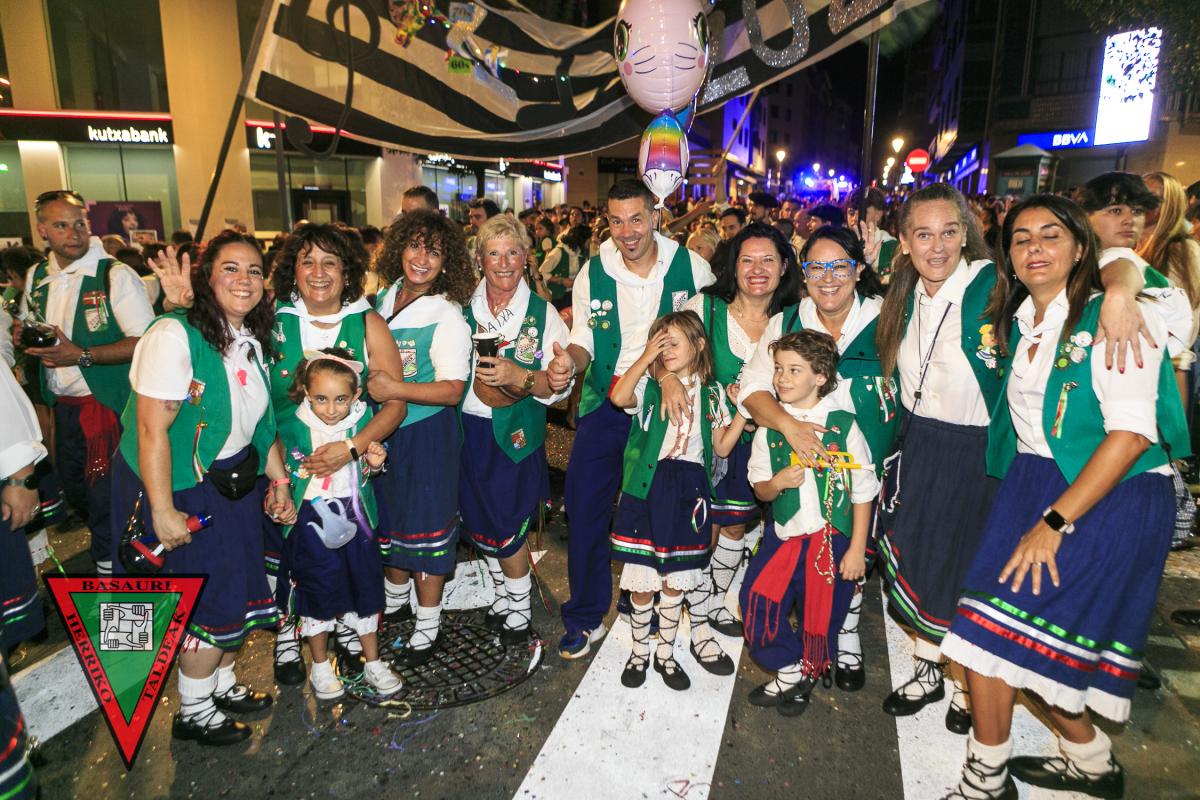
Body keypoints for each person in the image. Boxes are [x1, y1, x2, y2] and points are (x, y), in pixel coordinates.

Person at [937, 195, 1189, 800]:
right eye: (1021, 239)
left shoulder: (1114, 316)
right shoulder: (1024, 319)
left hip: (1109, 494)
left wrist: (1052, 521)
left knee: (991, 636)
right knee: (999, 634)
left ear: (1081, 249)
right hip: (1034, 483)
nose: (1034, 249)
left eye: (1051, 236)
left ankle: (986, 778)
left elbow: (1131, 436)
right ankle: (1090, 760)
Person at [157, 222, 409, 685]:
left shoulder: (368, 322)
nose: (318, 272)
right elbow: (210, 335)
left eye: (330, 262)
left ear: (348, 271)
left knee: (347, 553)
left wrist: (350, 449)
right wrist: (179, 306)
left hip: (346, 470)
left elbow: (395, 402)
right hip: (276, 467)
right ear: (292, 269)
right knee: (284, 557)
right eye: (307, 261)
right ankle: (290, 635)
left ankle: (349, 628)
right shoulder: (269, 318)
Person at [111, 230, 294, 746]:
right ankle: (192, 710)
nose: (244, 279)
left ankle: (220, 685)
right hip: (181, 487)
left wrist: (279, 481)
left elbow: (260, 426)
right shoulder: (174, 335)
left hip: (232, 483)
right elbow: (151, 430)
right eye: (230, 268)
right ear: (207, 278)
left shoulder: (247, 338)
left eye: (254, 270)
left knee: (235, 590)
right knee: (208, 598)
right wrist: (163, 510)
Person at [547, 179, 714, 659]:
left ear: (655, 217)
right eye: (617, 221)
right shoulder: (593, 272)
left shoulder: (691, 267)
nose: (627, 231)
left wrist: (678, 379)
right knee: (584, 506)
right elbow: (583, 339)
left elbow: (705, 337)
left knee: (657, 507)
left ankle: (646, 595)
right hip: (607, 399)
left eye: (637, 219)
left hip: (665, 406)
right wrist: (569, 362)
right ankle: (586, 614)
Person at [869, 183, 1009, 733]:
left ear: (966, 234)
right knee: (921, 558)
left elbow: (1078, 270)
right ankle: (929, 665)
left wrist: (1120, 287)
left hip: (975, 450)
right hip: (917, 440)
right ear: (904, 242)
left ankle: (965, 684)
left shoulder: (993, 286)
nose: (938, 246)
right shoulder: (902, 295)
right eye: (923, 235)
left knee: (962, 568)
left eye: (950, 232)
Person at [741, 225, 894, 694]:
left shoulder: (888, 316)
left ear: (859, 269)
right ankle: (803, 653)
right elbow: (753, 388)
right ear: (803, 273)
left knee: (851, 559)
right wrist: (789, 426)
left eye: (839, 266)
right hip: (799, 475)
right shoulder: (787, 321)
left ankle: (844, 634)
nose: (828, 277)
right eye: (817, 267)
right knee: (800, 574)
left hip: (866, 465)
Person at [19, 189, 155, 575]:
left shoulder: (114, 274)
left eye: (79, 223)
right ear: (43, 230)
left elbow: (146, 342)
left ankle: (115, 579)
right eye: (61, 225)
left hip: (109, 408)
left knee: (108, 501)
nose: (74, 232)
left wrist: (81, 354)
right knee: (78, 496)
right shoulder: (38, 276)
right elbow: (34, 325)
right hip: (64, 408)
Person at [742, 330, 878, 715]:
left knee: (823, 616)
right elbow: (760, 489)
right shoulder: (771, 428)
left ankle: (805, 675)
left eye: (794, 370)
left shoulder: (843, 425)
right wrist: (777, 483)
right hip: (784, 537)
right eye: (778, 368)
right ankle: (790, 667)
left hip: (831, 541)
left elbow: (863, 490)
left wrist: (857, 549)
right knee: (755, 601)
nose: (782, 378)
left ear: (820, 377)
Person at [683, 223, 801, 664]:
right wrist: (668, 380)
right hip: (709, 440)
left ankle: (713, 600)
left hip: (763, 443)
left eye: (768, 260)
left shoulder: (794, 318)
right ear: (732, 266)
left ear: (784, 266)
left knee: (737, 526)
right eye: (747, 260)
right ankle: (696, 615)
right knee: (704, 530)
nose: (757, 269)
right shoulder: (705, 308)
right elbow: (667, 353)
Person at [608, 311, 744, 690]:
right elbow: (618, 396)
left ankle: (665, 654)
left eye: (673, 343)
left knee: (675, 582)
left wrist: (742, 413)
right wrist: (647, 359)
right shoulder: (650, 386)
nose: (665, 350)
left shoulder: (712, 393)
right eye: (660, 344)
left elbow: (721, 446)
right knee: (643, 581)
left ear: (698, 345)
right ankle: (639, 651)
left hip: (689, 490)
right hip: (646, 487)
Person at [459, 215, 571, 643]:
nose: (504, 262)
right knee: (477, 518)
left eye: (512, 252)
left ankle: (520, 606)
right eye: (494, 253)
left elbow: (558, 389)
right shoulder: (461, 308)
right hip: (466, 429)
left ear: (526, 258)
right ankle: (503, 596)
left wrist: (522, 375)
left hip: (516, 436)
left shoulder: (542, 314)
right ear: (480, 259)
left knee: (507, 523)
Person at [371, 210, 474, 663]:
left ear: (446, 262)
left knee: (427, 530)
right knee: (391, 523)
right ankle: (394, 604)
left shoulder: (446, 314)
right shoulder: (381, 299)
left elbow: (452, 390)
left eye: (433, 252)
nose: (421, 258)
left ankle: (428, 625)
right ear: (399, 249)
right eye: (414, 246)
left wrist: (395, 389)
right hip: (381, 432)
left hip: (426, 435)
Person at [277, 349, 402, 699]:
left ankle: (373, 661)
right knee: (316, 588)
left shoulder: (362, 423)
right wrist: (282, 494)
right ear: (306, 392)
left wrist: (374, 463)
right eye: (321, 399)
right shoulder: (293, 425)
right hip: (311, 520)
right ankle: (319, 666)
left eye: (340, 400)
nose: (331, 409)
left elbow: (366, 474)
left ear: (356, 395)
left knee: (366, 586)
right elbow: (282, 472)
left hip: (356, 516)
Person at [847, 187, 899, 282]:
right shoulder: (841, 243)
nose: (855, 218)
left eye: (862, 213)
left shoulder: (890, 246)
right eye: (851, 213)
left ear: (878, 215)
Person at [539, 224, 589, 311]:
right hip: (557, 297)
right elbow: (541, 273)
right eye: (589, 239)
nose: (591, 241)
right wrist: (561, 280)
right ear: (582, 240)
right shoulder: (558, 252)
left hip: (574, 294)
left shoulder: (581, 253)